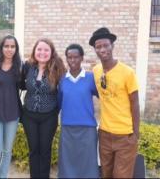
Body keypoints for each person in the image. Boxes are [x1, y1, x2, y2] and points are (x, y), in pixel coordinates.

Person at [89, 27, 140, 178]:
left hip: (125, 135)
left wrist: (135, 134)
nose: (102, 49)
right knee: (106, 173)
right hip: (104, 133)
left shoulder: (127, 72)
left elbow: (135, 104)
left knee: (121, 175)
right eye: (98, 47)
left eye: (106, 45)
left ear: (112, 46)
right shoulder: (96, 71)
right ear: (95, 50)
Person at [21, 38, 66, 178]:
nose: (42, 52)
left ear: (51, 52)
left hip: (49, 116)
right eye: (39, 49)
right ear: (34, 51)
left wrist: (57, 111)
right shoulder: (27, 67)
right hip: (29, 115)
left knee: (45, 150)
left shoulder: (57, 68)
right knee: (33, 149)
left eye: (46, 50)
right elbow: (20, 85)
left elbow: (63, 91)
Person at [57, 44, 99, 178]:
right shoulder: (62, 79)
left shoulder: (91, 78)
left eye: (76, 57)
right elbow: (59, 103)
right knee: (67, 163)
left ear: (82, 58)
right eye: (69, 57)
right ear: (67, 59)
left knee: (88, 164)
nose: (73, 60)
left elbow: (103, 96)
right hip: (67, 128)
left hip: (88, 128)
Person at [0, 35, 22, 178]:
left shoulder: (20, 67)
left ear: (16, 49)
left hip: (13, 113)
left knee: (7, 151)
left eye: (12, 46)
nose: (9, 49)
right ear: (1, 48)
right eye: (6, 46)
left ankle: (3, 176)